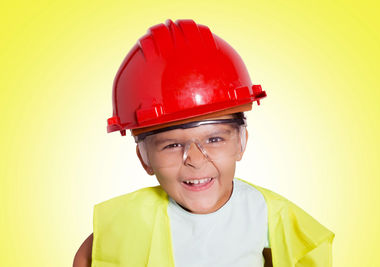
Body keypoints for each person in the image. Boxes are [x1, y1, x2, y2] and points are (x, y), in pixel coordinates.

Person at [73, 19, 334, 267]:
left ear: (241, 142)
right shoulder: (129, 219)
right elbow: (87, 256)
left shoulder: (267, 214)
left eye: (214, 139)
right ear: (144, 157)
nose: (196, 160)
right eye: (172, 145)